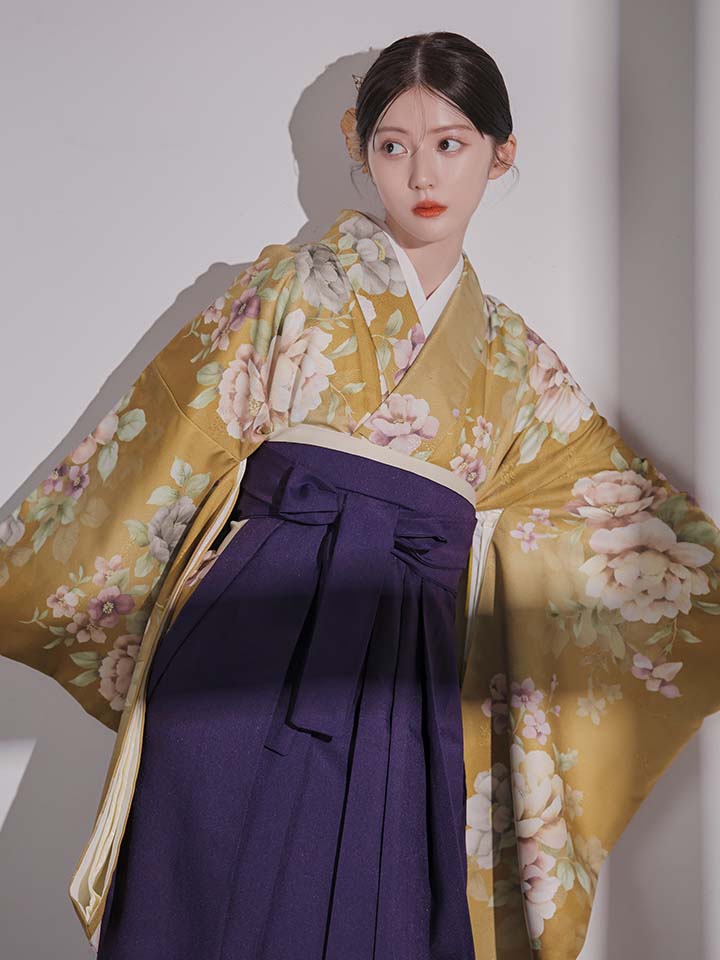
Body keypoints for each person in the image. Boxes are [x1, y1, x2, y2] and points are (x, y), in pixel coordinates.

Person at [1, 30, 719, 960]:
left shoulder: (515, 361)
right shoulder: (283, 290)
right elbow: (163, 446)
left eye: (451, 143)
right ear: (361, 147)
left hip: (403, 676)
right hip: (240, 641)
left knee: (377, 916)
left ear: (501, 153)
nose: (422, 172)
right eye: (393, 144)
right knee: (201, 898)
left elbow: (620, 523)